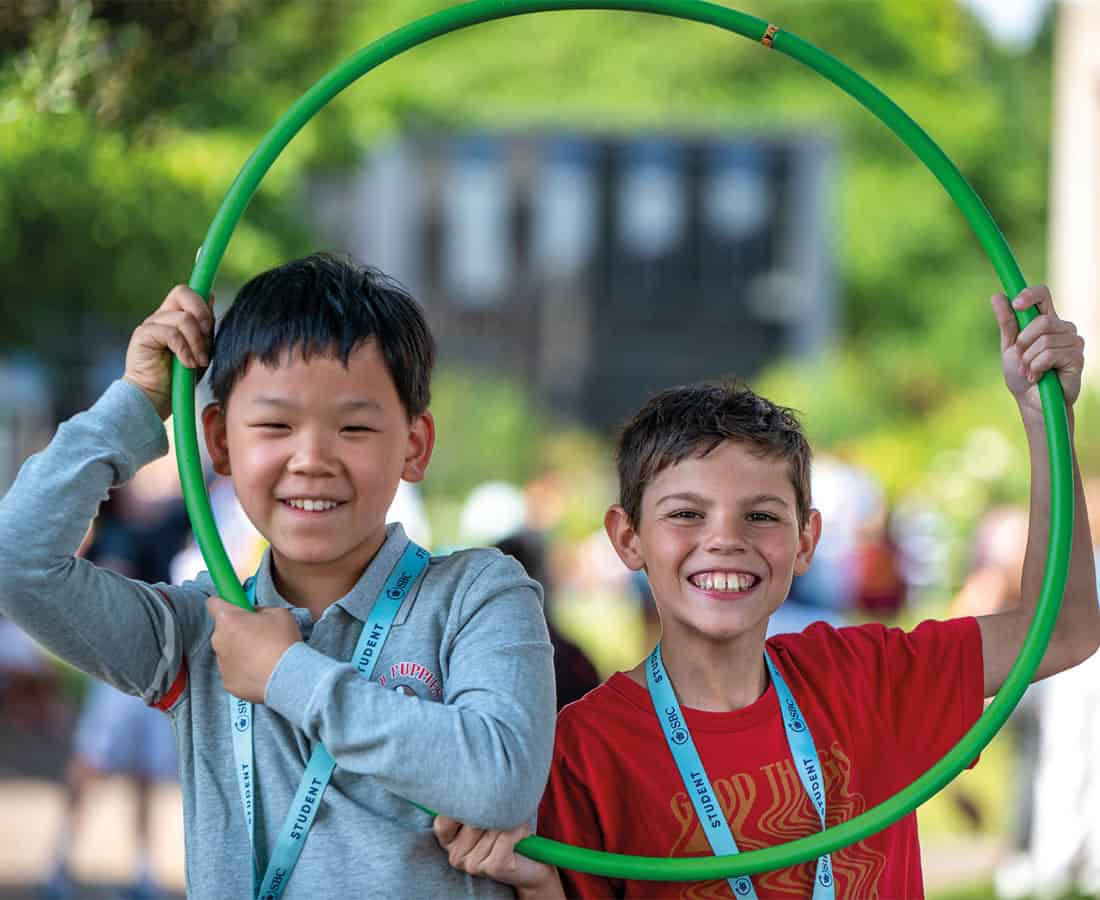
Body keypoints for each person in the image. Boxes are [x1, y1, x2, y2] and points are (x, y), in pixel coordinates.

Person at [434, 285, 1099, 899]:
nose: (724, 539)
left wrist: (1044, 423)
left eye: (760, 515)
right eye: (686, 514)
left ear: (807, 539)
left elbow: (1063, 630)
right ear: (627, 538)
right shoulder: (582, 753)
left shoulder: (864, 678)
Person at [0, 252, 555, 899]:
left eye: (353, 426)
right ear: (220, 441)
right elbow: (18, 564)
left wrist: (289, 677)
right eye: (274, 425)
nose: (312, 458)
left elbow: (501, 777)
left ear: (415, 444)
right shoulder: (194, 632)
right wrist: (135, 404)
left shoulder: (479, 594)